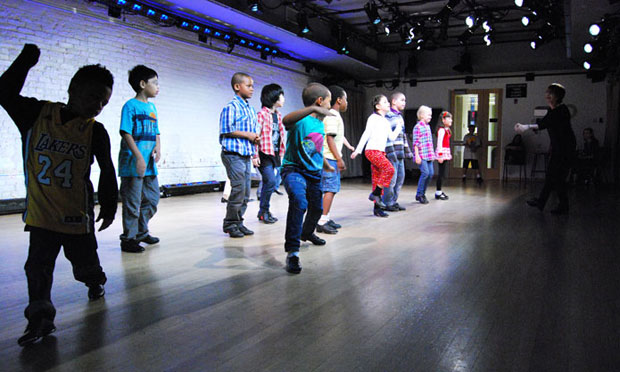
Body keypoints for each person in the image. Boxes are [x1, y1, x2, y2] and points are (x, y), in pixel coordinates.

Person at [0, 44, 117, 346]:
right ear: (73, 89)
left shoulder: (95, 131)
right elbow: (4, 92)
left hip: (77, 215)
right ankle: (40, 319)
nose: (97, 106)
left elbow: (106, 168)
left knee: (85, 266)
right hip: (41, 215)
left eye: (103, 102)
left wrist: (109, 202)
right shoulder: (36, 115)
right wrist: (24, 62)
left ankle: (95, 281)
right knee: (37, 268)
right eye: (93, 97)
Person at [281, 83, 334, 274]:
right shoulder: (301, 120)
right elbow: (286, 120)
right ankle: (293, 252)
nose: (330, 106)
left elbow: (314, 148)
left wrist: (327, 165)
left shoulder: (320, 124)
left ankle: (307, 232)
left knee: (317, 208)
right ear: (319, 102)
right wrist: (311, 109)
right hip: (294, 169)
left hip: (313, 173)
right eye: (329, 102)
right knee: (298, 201)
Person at [118, 65, 161, 253]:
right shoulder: (130, 106)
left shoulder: (152, 107)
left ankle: (141, 231)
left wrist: (158, 148)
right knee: (132, 202)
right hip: (133, 163)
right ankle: (128, 238)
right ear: (142, 84)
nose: (158, 87)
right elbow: (125, 132)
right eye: (155, 83)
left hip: (149, 164)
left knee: (152, 199)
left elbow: (157, 131)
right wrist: (138, 157)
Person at [515, 83, 576, 214]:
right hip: (559, 148)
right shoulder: (553, 110)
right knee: (553, 177)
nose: (547, 95)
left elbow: (544, 123)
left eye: (551, 93)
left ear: (558, 96)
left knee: (556, 177)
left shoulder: (561, 110)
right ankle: (544, 203)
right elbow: (546, 124)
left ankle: (555, 205)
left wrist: (527, 127)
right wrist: (532, 128)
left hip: (566, 149)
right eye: (547, 92)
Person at [219, 72, 260, 238]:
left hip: (245, 154)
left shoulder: (250, 109)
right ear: (237, 87)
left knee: (245, 191)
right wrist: (248, 135)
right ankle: (229, 223)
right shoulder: (231, 107)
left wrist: (254, 138)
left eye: (252, 86)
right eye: (248, 86)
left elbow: (251, 131)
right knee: (238, 189)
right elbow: (226, 130)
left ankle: (238, 221)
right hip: (233, 154)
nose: (252, 89)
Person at [351, 95, 402, 217]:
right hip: (372, 151)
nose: (388, 104)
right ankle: (376, 193)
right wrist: (358, 150)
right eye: (385, 102)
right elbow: (366, 134)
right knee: (389, 169)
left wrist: (399, 127)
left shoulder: (385, 121)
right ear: (378, 106)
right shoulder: (373, 118)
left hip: (381, 151)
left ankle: (377, 208)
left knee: (377, 179)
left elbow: (392, 137)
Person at [317, 85, 355, 234]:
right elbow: (330, 138)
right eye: (346, 99)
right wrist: (339, 159)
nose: (347, 102)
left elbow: (338, 135)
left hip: (329, 157)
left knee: (330, 189)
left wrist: (349, 146)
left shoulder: (334, 116)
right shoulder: (332, 115)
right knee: (329, 190)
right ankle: (322, 220)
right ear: (339, 100)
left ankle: (325, 216)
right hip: (329, 158)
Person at [253, 83, 286, 224]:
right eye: (281, 95)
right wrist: (254, 155)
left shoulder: (277, 116)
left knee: (271, 182)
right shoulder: (261, 115)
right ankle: (263, 211)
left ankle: (264, 211)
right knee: (271, 181)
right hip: (263, 154)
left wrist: (282, 154)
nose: (283, 98)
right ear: (274, 97)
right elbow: (255, 135)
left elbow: (280, 137)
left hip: (275, 154)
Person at [383, 92, 413, 211]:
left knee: (400, 178)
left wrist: (407, 151)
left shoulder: (400, 117)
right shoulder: (388, 116)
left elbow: (403, 136)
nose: (404, 102)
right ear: (394, 101)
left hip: (400, 153)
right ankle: (387, 202)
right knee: (392, 179)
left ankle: (393, 200)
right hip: (392, 153)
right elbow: (387, 135)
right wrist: (390, 152)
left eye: (405, 100)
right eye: (402, 100)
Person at [412, 105, 436, 204]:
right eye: (428, 115)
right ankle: (419, 194)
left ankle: (423, 193)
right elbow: (416, 142)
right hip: (422, 155)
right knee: (425, 173)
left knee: (430, 174)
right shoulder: (417, 127)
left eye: (431, 115)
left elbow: (429, 142)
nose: (430, 117)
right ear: (421, 115)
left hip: (429, 154)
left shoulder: (428, 127)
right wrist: (417, 155)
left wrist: (433, 154)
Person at [435, 111, 453, 200]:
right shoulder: (441, 130)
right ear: (443, 120)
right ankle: (438, 192)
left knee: (443, 173)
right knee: (441, 173)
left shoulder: (447, 130)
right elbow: (439, 143)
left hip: (445, 152)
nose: (451, 120)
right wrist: (440, 155)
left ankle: (440, 190)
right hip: (442, 153)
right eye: (449, 118)